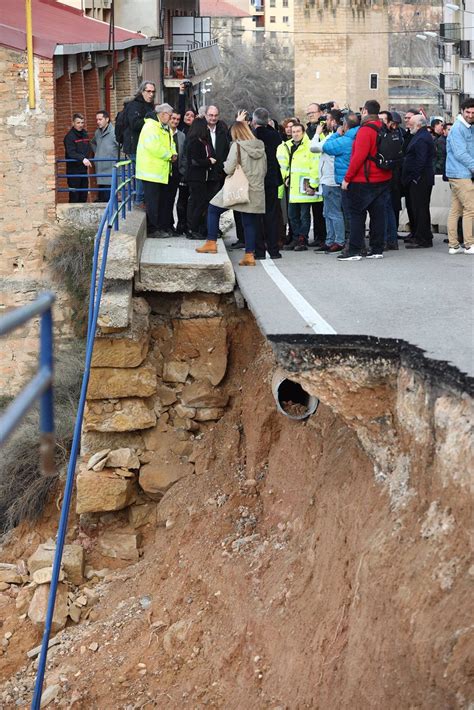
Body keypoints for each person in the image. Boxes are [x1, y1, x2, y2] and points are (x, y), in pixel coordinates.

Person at [195, 121, 267, 266]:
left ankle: (211, 242)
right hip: (256, 189)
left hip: (239, 187)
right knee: (249, 222)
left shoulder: (237, 146)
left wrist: (223, 165)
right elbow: (264, 169)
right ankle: (249, 255)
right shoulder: (260, 147)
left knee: (213, 208)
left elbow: (229, 168)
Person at [339, 99, 392, 261]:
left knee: (356, 215)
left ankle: (354, 250)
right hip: (383, 178)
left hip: (364, 179)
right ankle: (377, 249)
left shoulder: (365, 130)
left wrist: (347, 179)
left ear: (365, 112)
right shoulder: (384, 128)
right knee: (378, 215)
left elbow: (358, 157)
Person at [135, 102, 176, 237]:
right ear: (163, 114)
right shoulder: (150, 127)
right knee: (152, 203)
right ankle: (153, 229)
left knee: (160, 202)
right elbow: (153, 147)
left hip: (161, 172)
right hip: (151, 172)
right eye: (170, 116)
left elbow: (172, 143)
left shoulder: (164, 127)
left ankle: (160, 227)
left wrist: (174, 153)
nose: (171, 119)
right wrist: (169, 155)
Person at [278, 123, 320, 252]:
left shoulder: (310, 146)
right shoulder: (287, 146)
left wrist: (313, 184)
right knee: (292, 215)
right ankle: (296, 238)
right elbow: (284, 164)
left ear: (303, 132)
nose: (295, 134)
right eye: (293, 131)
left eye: (298, 131)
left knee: (304, 215)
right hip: (292, 187)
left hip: (305, 187)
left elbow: (315, 166)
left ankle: (302, 239)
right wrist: (285, 177)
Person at [320, 112, 360, 246]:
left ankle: (343, 242)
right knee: (352, 213)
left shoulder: (345, 140)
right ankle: (346, 241)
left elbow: (326, 147)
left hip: (344, 180)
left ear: (345, 125)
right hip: (359, 179)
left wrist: (337, 134)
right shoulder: (360, 136)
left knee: (344, 213)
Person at [310, 112, 345, 253]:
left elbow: (313, 148)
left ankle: (339, 241)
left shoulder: (332, 138)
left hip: (331, 180)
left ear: (334, 122)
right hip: (327, 179)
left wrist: (317, 133)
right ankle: (330, 240)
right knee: (327, 212)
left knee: (334, 213)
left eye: (328, 119)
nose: (325, 122)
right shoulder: (332, 137)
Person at [252, 107, 283, 259]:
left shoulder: (253, 135)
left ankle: (259, 251)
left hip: (257, 179)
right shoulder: (275, 135)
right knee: (271, 215)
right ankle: (274, 249)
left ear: (253, 120)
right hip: (271, 178)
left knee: (257, 216)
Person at [445, 97, 474, 255]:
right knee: (471, 208)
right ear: (462, 111)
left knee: (456, 210)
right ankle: (469, 244)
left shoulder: (468, 127)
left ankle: (453, 245)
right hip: (460, 173)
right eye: (467, 112)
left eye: (473, 112)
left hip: (459, 172)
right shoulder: (458, 128)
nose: (470, 115)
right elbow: (461, 153)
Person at [402, 115, 435, 249]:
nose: (408, 126)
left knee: (420, 209)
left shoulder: (422, 138)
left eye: (411, 123)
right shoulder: (420, 136)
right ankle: (420, 235)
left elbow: (421, 160)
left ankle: (423, 238)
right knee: (418, 208)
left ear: (419, 125)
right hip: (419, 178)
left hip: (420, 180)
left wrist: (414, 177)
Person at [123, 80, 156, 206]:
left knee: (143, 173)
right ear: (142, 92)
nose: (151, 94)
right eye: (148, 91)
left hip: (145, 147)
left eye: (153, 92)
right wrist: (150, 120)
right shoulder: (134, 105)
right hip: (135, 146)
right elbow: (135, 124)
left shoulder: (149, 106)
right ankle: (139, 200)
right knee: (141, 174)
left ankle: (142, 199)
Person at [185, 117, 216, 240]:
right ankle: (192, 228)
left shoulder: (202, 141)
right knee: (197, 203)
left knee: (198, 203)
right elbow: (195, 161)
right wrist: (209, 161)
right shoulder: (195, 142)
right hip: (195, 177)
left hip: (202, 177)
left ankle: (194, 227)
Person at [158, 110, 186, 234]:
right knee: (164, 200)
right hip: (163, 171)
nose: (175, 121)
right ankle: (166, 225)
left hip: (176, 172)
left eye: (177, 119)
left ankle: (171, 225)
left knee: (172, 199)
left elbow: (184, 154)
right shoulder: (162, 132)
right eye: (173, 118)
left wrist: (182, 170)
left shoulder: (181, 136)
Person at [90, 110, 118, 203]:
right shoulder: (97, 132)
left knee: (108, 198)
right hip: (100, 168)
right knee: (101, 196)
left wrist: (114, 158)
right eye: (97, 120)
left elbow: (121, 147)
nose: (98, 122)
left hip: (110, 169)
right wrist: (97, 153)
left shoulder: (114, 132)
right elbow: (92, 142)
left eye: (100, 119)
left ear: (107, 119)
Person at [63, 113, 91, 203]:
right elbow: (71, 153)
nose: (80, 125)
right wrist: (83, 158)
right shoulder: (69, 137)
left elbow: (88, 148)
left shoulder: (85, 134)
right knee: (74, 195)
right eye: (78, 123)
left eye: (82, 122)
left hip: (83, 170)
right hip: (73, 171)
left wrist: (85, 158)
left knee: (84, 194)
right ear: (73, 123)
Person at [205, 105, 230, 200]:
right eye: (211, 115)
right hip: (204, 174)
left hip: (218, 174)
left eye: (216, 115)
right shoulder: (200, 130)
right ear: (206, 115)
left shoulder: (222, 131)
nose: (213, 118)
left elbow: (225, 151)